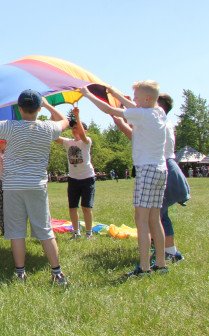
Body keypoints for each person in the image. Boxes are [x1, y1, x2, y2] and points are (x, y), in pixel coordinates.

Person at [0, 91, 70, 286]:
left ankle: (20, 273)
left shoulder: (10, 127)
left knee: (16, 231)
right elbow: (65, 121)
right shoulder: (48, 128)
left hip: (12, 186)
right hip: (36, 185)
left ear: (19, 109)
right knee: (45, 230)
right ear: (38, 108)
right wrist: (48, 106)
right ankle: (57, 273)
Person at [80, 81, 168, 276]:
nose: (133, 100)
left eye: (135, 96)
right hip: (160, 170)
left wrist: (87, 95)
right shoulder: (158, 112)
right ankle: (161, 264)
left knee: (141, 220)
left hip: (146, 171)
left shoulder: (142, 114)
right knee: (155, 218)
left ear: (146, 99)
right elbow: (133, 107)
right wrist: (115, 93)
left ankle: (144, 268)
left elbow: (108, 109)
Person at [113, 93, 190, 265]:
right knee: (157, 214)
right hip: (168, 168)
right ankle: (161, 248)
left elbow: (134, 135)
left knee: (157, 214)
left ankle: (170, 252)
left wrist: (119, 120)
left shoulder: (155, 120)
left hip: (163, 168)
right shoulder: (161, 121)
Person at [54, 107, 95, 240]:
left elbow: (82, 136)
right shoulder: (68, 142)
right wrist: (53, 120)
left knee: (86, 207)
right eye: (73, 128)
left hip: (87, 178)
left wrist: (77, 116)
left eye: (77, 127)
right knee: (72, 207)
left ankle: (89, 233)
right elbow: (54, 137)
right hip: (73, 179)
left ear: (85, 130)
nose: (74, 129)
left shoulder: (87, 141)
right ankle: (76, 232)